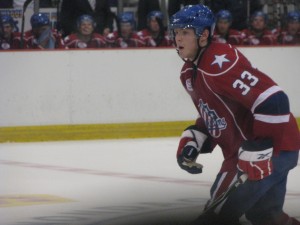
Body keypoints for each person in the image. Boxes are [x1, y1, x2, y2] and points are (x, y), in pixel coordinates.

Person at [168, 4, 300, 225]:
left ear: (204, 35)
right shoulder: (189, 73)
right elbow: (215, 116)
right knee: (266, 216)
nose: (178, 38)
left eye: (186, 32)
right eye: (176, 32)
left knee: (216, 216)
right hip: (268, 151)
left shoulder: (219, 62)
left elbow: (274, 100)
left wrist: (261, 150)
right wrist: (194, 140)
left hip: (269, 150)